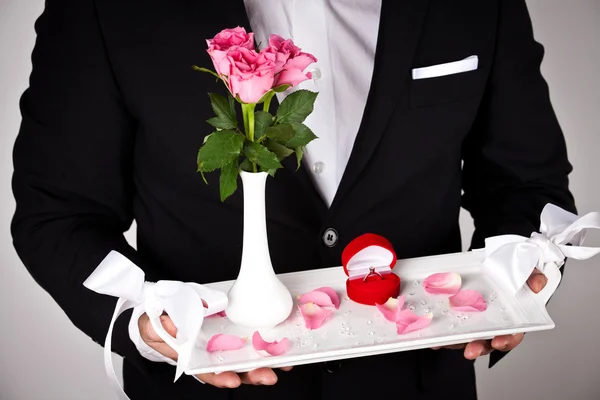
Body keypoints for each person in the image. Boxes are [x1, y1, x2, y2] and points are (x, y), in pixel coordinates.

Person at [11, 0, 575, 399]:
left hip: (417, 383)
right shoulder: (103, 9)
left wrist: (517, 278)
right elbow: (58, 212)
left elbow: (526, 186)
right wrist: (142, 322)